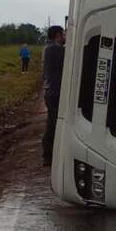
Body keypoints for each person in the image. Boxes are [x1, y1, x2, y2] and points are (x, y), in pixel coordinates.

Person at [42, 25, 66, 167]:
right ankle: (49, 156)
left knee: (52, 122)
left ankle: (49, 155)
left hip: (50, 91)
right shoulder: (56, 49)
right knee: (54, 124)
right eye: (63, 34)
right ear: (58, 35)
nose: (65, 37)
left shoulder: (48, 48)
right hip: (55, 92)